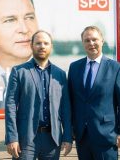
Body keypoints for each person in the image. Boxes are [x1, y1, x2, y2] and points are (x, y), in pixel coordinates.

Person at [5, 30, 72, 159]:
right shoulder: (19, 72)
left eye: (46, 43)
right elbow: (10, 106)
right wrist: (12, 137)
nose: (42, 46)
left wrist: (67, 137)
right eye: (38, 43)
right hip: (25, 138)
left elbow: (65, 109)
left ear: (51, 47)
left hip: (52, 139)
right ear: (31, 46)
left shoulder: (60, 74)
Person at [68, 26, 120, 160]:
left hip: (107, 136)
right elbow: (71, 101)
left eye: (94, 39)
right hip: (82, 135)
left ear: (102, 41)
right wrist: (71, 128)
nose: (91, 43)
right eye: (87, 40)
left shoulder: (116, 68)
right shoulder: (74, 67)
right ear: (83, 43)